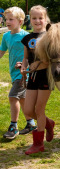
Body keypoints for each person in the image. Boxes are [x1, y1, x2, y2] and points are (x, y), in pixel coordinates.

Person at [21, 5, 55, 155]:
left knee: (39, 110)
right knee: (28, 110)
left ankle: (38, 143)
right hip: (32, 77)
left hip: (45, 76)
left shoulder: (49, 36)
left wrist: (37, 65)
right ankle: (48, 123)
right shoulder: (27, 38)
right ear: (30, 20)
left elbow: (52, 59)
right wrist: (23, 67)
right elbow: (26, 58)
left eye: (40, 18)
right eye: (34, 18)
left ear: (45, 19)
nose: (37, 20)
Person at [0, 7, 36, 139]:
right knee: (22, 99)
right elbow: (1, 52)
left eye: (10, 19)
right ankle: (31, 124)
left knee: (12, 96)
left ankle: (13, 126)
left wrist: (23, 64)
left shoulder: (26, 36)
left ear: (20, 21)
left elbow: (34, 54)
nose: (7, 22)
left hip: (23, 73)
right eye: (5, 19)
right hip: (13, 73)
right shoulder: (5, 36)